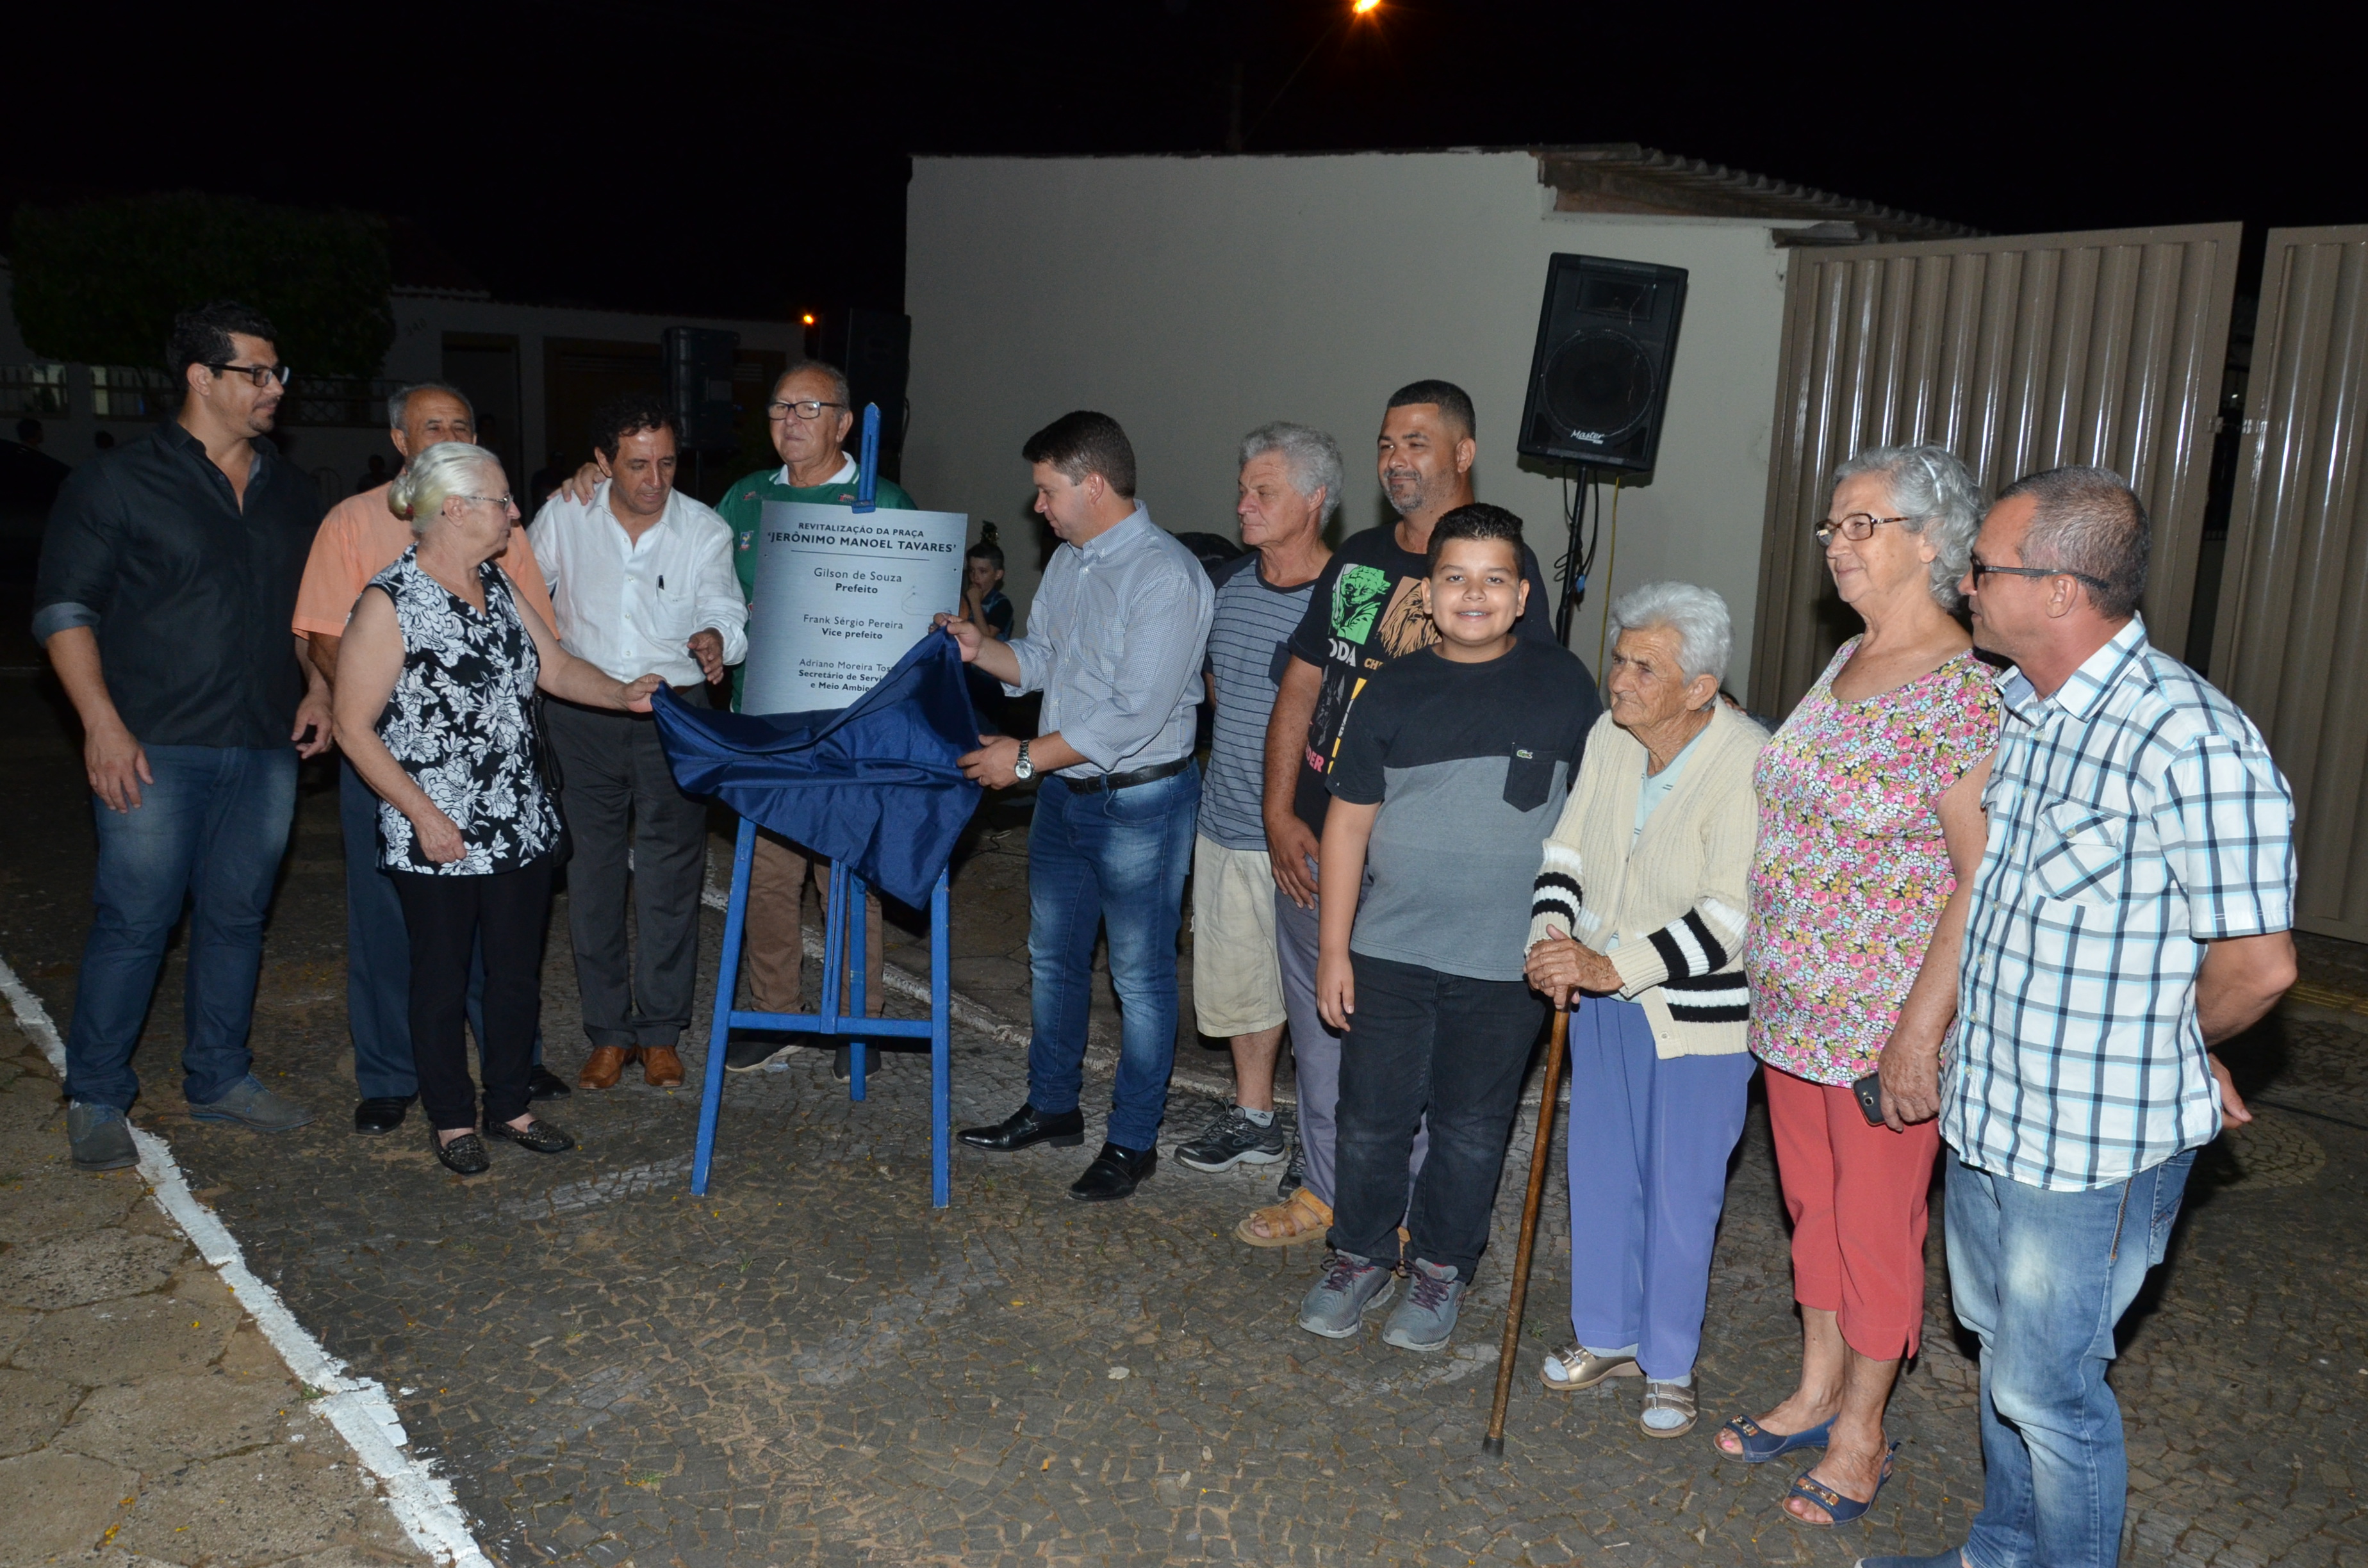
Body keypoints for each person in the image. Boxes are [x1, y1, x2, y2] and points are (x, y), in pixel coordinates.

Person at [1864, 468, 2296, 1568]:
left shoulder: (2188, 738)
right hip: (1993, 1114)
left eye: (1986, 568)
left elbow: (2258, 964)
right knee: (2003, 1351)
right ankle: (2002, 1551)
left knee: (2047, 1388)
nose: (1965, 580)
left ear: (2059, 590)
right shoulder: (2024, 709)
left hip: (2092, 1143)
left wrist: (2176, 1045)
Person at [1716, 446, 1998, 1521]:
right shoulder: (1843, 662)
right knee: (1812, 1209)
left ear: (1935, 541)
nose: (1837, 541)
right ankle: (1817, 1383)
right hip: (1791, 1008)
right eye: (1833, 525)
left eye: (1863, 524)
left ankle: (1865, 1430)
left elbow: (1976, 884)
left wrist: (1918, 1038)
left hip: (1884, 1025)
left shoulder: (1968, 699)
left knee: (1877, 1227)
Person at [1250, 379, 1561, 1247]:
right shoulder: (1356, 561)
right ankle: (1328, 1192)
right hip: (1317, 842)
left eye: (1417, 442)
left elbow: (1527, 730)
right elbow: (1306, 682)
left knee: (1415, 1056)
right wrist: (1280, 811)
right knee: (1322, 1037)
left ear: (1464, 453)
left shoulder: (1501, 576)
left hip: (1419, 872)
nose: (1395, 460)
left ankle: (1408, 1218)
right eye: (1387, 444)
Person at [32, 300, 332, 1170]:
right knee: (135, 920)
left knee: (238, 918)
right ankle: (95, 1093)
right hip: (154, 743)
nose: (277, 388)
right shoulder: (117, 483)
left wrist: (316, 684)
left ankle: (220, 1078)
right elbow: (64, 611)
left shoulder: (287, 489)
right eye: (258, 373)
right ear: (201, 378)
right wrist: (101, 726)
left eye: (279, 373)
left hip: (264, 744)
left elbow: (300, 614)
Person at [1295, 503, 1599, 1352]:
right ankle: (1357, 1253)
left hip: (1509, 964)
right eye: (1456, 578)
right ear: (1427, 594)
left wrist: (1576, 935)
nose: (1475, 594)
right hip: (1389, 951)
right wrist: (1332, 951)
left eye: (1494, 579)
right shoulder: (1388, 689)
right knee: (1371, 1118)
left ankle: (1440, 1269)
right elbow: (1348, 825)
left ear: (1523, 593)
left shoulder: (1564, 685)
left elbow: (1595, 818)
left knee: (1472, 1124)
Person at [332, 443, 662, 1174]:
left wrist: (622, 692)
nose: (515, 512)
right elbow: (353, 726)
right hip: (437, 825)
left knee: (514, 974)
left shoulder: (500, 586)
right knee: (442, 976)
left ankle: (510, 1104)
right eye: (502, 500)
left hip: (517, 818)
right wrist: (423, 815)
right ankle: (452, 1119)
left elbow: (558, 668)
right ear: (454, 510)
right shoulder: (390, 602)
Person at [944, 411, 1214, 1202]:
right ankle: (1053, 1106)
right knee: (1053, 959)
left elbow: (1131, 716)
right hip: (1065, 797)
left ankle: (1132, 1140)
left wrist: (1022, 760)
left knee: (1139, 976)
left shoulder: (1166, 577)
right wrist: (977, 648)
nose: (1039, 507)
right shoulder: (1071, 562)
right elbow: (1040, 661)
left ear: (1093, 485)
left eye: (1047, 490)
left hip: (1141, 803)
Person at [293, 381, 570, 1132]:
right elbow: (324, 637)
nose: (449, 431)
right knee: (407, 946)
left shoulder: (503, 564)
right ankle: (402, 1083)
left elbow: (548, 656)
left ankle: (510, 1087)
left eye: (461, 422)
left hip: (503, 795)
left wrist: (639, 692)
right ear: (401, 440)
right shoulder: (358, 530)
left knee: (508, 959)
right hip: (401, 774)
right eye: (432, 424)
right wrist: (396, 760)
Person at [1524, 582, 1762, 1438]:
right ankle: (1606, 1334)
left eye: (1643, 667)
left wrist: (1604, 964)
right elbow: (1568, 847)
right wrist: (1552, 936)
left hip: (1699, 1022)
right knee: (1599, 1174)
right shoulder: (1611, 738)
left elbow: (1727, 920)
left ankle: (1668, 1362)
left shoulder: (1745, 761)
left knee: (1680, 1191)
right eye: (1619, 658)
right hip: (1604, 1002)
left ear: (1699, 687)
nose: (1619, 679)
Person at [702, 361, 917, 1079]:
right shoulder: (744, 498)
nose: (791, 420)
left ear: (844, 423)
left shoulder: (881, 501)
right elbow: (712, 593)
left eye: (809, 408)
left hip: (846, 729)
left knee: (847, 875)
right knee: (767, 878)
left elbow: (908, 611)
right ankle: (778, 1016)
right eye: (779, 408)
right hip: (763, 726)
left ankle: (860, 1021)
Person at [530, 398, 746, 1091]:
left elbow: (724, 606)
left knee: (669, 877)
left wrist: (715, 640)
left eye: (667, 462)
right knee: (591, 875)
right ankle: (606, 1033)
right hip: (583, 712)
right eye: (637, 465)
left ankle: (659, 1033)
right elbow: (521, 593)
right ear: (601, 464)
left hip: (674, 715)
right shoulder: (565, 515)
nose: (656, 479)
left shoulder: (703, 528)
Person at [1172, 423, 1338, 1189]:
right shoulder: (1229, 591)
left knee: (1320, 996)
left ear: (1314, 501)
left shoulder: (1349, 600)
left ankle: (1322, 1137)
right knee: (1240, 984)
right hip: (1227, 822)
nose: (1244, 504)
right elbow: (1217, 694)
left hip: (1310, 836)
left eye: (1263, 492)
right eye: (1243, 489)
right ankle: (1256, 1120)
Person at [961, 538, 1014, 730]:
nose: (975, 577)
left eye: (983, 572)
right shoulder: (961, 601)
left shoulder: (1001, 604)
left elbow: (986, 638)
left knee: (984, 728)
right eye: (972, 571)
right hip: (963, 673)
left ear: (998, 574)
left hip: (988, 680)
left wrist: (975, 603)